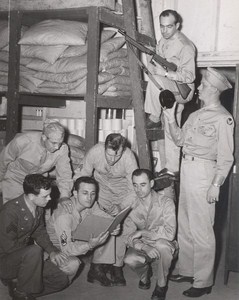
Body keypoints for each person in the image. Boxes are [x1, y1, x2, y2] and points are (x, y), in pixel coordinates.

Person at [163, 67, 234, 297]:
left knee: (202, 229)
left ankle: (203, 282)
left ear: (213, 89)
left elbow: (226, 156)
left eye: (203, 85)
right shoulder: (195, 114)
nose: (199, 88)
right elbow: (180, 139)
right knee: (185, 223)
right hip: (187, 169)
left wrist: (216, 184)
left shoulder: (224, 118)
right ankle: (187, 269)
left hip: (205, 173)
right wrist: (170, 117)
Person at [73, 133, 138, 286]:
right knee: (102, 222)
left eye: (117, 156)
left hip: (123, 193)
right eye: (109, 155)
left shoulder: (129, 157)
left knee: (125, 225)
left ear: (123, 150)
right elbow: (82, 176)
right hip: (101, 191)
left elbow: (133, 189)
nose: (112, 160)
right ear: (104, 147)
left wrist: (121, 206)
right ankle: (97, 267)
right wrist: (77, 198)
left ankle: (117, 267)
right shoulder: (95, 152)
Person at [0, 174, 70, 300]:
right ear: (31, 196)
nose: (49, 199)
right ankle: (22, 293)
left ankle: (20, 289)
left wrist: (52, 251)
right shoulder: (10, 211)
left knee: (61, 280)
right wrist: (36, 259)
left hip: (25, 258)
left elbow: (39, 232)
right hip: (5, 261)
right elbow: (8, 247)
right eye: (45, 196)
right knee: (35, 250)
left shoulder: (38, 208)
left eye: (49, 194)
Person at [144, 9, 196, 177]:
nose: (164, 31)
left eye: (169, 27)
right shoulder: (163, 40)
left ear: (177, 25)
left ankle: (153, 117)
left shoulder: (185, 46)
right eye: (162, 27)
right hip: (170, 89)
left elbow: (189, 76)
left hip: (183, 90)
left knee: (155, 82)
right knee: (170, 121)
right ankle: (173, 168)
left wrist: (164, 73)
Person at [46, 176, 120, 287]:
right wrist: (89, 245)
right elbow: (66, 249)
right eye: (85, 193)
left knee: (108, 229)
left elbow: (103, 216)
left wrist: (114, 224)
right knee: (72, 265)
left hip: (75, 236)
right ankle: (52, 281)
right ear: (75, 194)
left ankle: (96, 269)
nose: (89, 197)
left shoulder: (91, 203)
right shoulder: (64, 216)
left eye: (93, 193)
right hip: (57, 248)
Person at [123, 169, 177, 300]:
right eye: (135, 185)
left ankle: (161, 285)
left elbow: (170, 234)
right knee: (129, 259)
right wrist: (143, 247)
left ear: (152, 183)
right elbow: (128, 236)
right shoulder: (131, 206)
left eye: (143, 184)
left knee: (162, 245)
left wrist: (143, 232)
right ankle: (144, 276)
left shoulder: (166, 203)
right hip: (145, 244)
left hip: (165, 243)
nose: (138, 189)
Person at [0, 119, 73, 204]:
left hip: (38, 181)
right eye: (54, 143)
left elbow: (64, 173)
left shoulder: (62, 149)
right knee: (14, 210)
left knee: (40, 211)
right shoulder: (23, 141)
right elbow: (3, 161)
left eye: (60, 143)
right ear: (44, 137)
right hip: (16, 178)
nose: (57, 147)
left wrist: (65, 196)